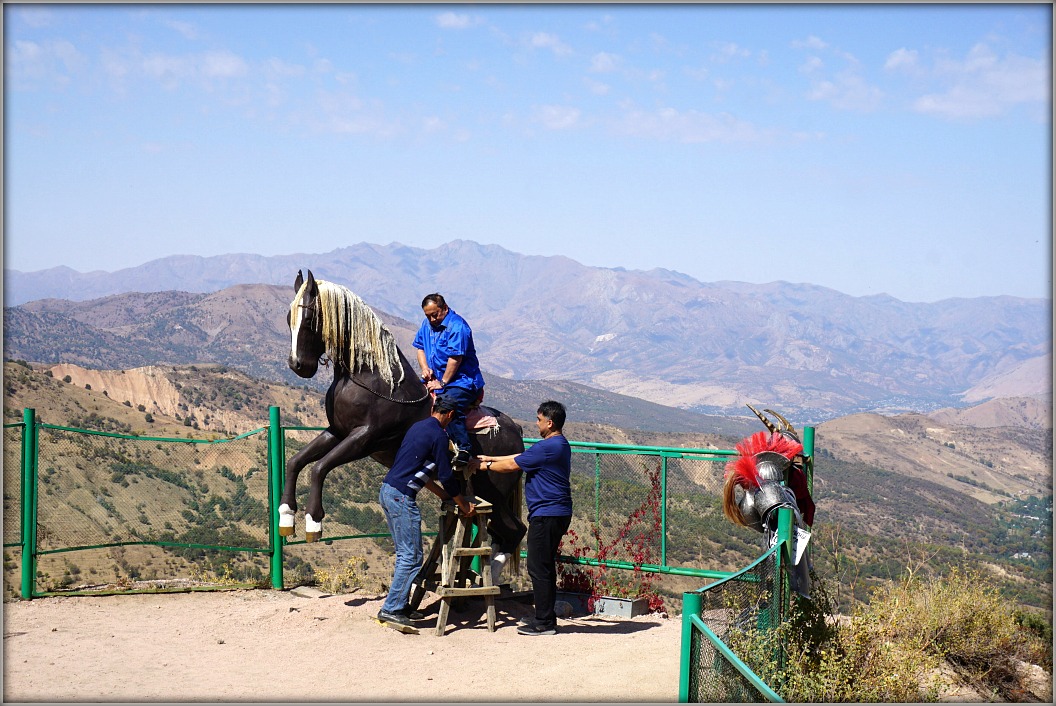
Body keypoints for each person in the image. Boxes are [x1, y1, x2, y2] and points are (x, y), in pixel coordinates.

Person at [473, 400, 572, 636]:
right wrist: (490, 457)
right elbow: (520, 456)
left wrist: (483, 465)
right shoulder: (558, 444)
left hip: (547, 514)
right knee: (544, 566)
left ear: (550, 422)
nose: (536, 423)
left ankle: (545, 622)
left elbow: (512, 464)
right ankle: (544, 616)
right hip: (554, 513)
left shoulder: (549, 447)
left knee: (539, 567)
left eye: (539, 419)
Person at [377, 396, 476, 629]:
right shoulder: (440, 436)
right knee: (411, 557)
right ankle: (391, 609)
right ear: (450, 416)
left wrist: (443, 497)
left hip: (389, 490)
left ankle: (400, 605)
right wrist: (463, 504)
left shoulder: (418, 427)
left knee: (405, 554)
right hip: (401, 497)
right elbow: (445, 476)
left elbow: (419, 471)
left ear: (434, 409)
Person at [413, 293, 485, 466]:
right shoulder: (427, 324)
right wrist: (425, 368)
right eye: (427, 316)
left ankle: (464, 448)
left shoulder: (457, 327)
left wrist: (442, 383)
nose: (431, 319)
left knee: (446, 405)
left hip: (462, 382)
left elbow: (455, 359)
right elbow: (420, 348)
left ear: (444, 308)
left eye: (435, 314)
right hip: (436, 378)